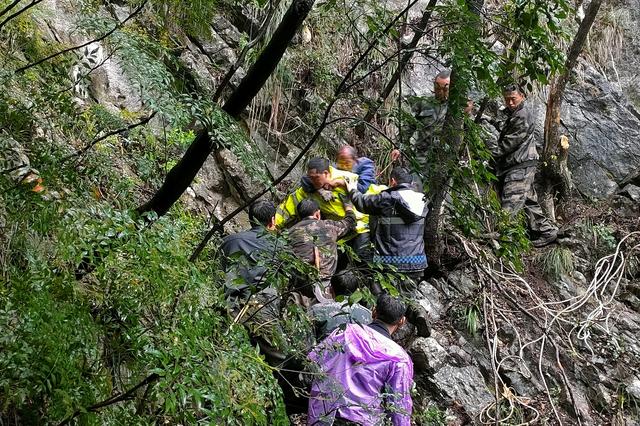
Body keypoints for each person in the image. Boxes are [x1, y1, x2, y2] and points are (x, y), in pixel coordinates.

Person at [308, 294, 414, 426]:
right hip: (364, 420)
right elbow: (399, 406)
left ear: (374, 311)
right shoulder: (399, 358)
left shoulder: (345, 332)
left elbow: (313, 360)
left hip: (327, 413)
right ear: (402, 321)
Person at [485, 84, 558, 247]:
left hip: (520, 164)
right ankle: (547, 231)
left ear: (522, 96)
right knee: (528, 201)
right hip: (520, 163)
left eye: (513, 99)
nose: (510, 103)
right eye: (507, 99)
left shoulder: (523, 114)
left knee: (511, 199)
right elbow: (506, 128)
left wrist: (489, 153)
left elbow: (510, 142)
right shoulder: (515, 113)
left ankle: (503, 236)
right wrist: (488, 119)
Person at [275, 157, 373, 262]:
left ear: (326, 173)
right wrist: (274, 224)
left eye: (315, 178)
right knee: (336, 262)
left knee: (362, 259)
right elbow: (288, 206)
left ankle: (387, 264)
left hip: (364, 226)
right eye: (310, 178)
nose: (313, 181)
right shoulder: (309, 190)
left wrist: (343, 183)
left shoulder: (346, 178)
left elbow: (372, 192)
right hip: (344, 232)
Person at [288, 199, 356, 301]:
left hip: (300, 285)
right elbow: (350, 222)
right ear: (317, 214)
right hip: (326, 285)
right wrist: (348, 205)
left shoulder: (289, 233)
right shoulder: (328, 226)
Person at [220, 199, 279, 300]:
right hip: (262, 305)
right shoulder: (279, 247)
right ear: (272, 220)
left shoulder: (228, 241)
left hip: (227, 301)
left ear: (251, 219)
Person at [308, 269, 372, 339]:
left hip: (325, 348)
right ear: (356, 291)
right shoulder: (368, 314)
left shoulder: (317, 310)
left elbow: (305, 341)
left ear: (330, 289)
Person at [301, 145, 377, 194]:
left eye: (347, 163)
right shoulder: (334, 168)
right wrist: (321, 187)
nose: (344, 166)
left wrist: (343, 182)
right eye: (341, 163)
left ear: (355, 160)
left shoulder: (365, 164)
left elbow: (364, 188)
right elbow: (306, 179)